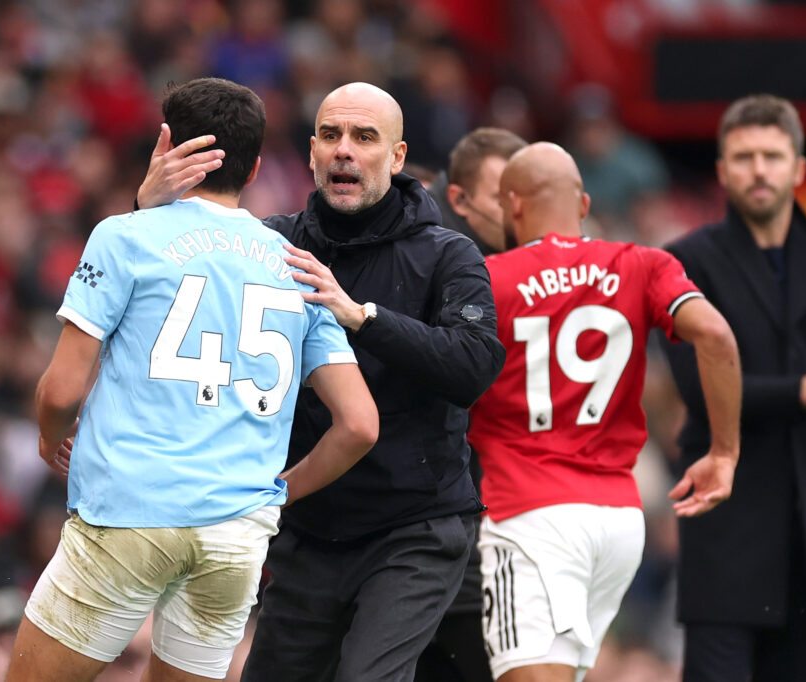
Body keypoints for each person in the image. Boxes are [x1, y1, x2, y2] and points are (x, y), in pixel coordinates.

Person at [4, 77, 378, 682]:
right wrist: (274, 494)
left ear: (166, 144)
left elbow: (61, 391)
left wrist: (50, 439)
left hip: (131, 511)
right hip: (235, 536)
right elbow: (359, 425)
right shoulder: (298, 267)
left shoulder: (126, 235)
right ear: (256, 167)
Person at [136, 82, 506, 682]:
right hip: (305, 527)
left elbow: (473, 367)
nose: (344, 151)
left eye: (364, 138)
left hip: (414, 528)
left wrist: (361, 316)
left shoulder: (450, 254)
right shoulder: (268, 244)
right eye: (331, 136)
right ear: (310, 152)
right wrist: (148, 215)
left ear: (398, 156)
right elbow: (168, 296)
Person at [468, 142, 742, 682]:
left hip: (529, 512)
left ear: (512, 205)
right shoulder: (643, 264)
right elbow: (714, 333)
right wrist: (725, 452)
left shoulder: (488, 278)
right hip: (617, 519)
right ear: (585, 204)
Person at [661, 94, 806, 682]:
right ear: (720, 171)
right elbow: (696, 388)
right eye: (743, 157)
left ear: (799, 168)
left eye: (771, 155)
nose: (758, 169)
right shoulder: (686, 261)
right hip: (728, 527)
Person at [416, 127, 527, 682]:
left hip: (461, 515)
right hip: (429, 518)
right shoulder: (433, 260)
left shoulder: (513, 261)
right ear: (458, 199)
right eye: (504, 199)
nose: (520, 214)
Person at [428, 127, 528, 256]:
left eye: (527, 196)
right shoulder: (425, 259)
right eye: (503, 198)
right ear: (460, 200)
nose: (519, 209)